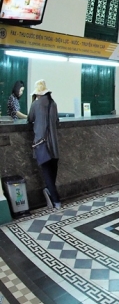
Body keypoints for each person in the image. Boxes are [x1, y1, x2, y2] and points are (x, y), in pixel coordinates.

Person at [27, 80, 61, 209]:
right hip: (54, 146)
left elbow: (30, 119)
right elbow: (56, 120)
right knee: (52, 172)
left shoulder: (36, 104)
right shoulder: (53, 103)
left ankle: (56, 200)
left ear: (37, 94)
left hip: (42, 144)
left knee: (47, 173)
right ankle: (49, 192)